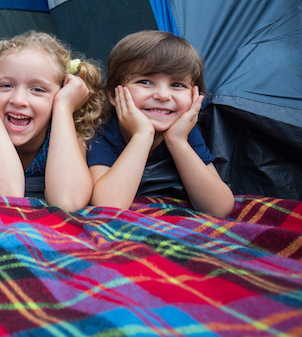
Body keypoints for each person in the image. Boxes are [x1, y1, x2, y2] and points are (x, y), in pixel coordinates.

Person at [88, 30, 234, 216]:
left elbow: (219, 208)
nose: (163, 96)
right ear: (113, 94)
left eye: (177, 85)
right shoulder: (104, 133)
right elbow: (108, 206)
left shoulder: (184, 132)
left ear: (195, 95)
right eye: (145, 82)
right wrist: (142, 136)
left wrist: (177, 141)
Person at [0, 32, 104, 211]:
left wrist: (63, 107)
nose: (19, 100)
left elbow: (68, 201)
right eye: (6, 85)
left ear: (61, 92)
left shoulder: (67, 127)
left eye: (37, 89)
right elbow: (6, 195)